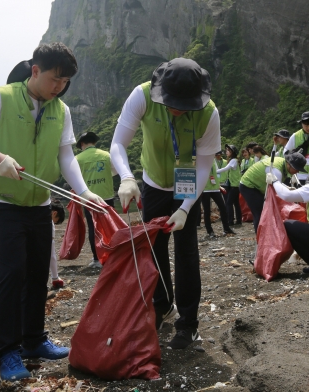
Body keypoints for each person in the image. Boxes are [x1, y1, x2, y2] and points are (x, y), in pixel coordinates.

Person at [0, 42, 105, 381]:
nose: (59, 86)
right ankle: (7, 351)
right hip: (2, 203)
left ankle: (34, 341)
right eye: (55, 78)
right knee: (11, 276)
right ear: (35, 71)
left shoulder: (60, 110)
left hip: (39, 204)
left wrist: (83, 192)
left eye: (65, 81)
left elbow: (65, 156)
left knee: (38, 274)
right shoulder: (1, 98)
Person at [110, 58, 221, 350]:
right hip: (154, 182)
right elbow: (118, 143)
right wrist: (127, 178)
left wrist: (185, 208)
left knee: (186, 252)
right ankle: (162, 305)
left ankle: (188, 325)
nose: (178, 109)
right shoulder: (142, 95)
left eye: (186, 104)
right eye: (173, 102)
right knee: (154, 248)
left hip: (187, 182)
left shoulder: (209, 114)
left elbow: (204, 167)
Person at [75, 131, 118, 268]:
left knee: (94, 228)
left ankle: (96, 259)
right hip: (107, 196)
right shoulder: (106, 155)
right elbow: (115, 171)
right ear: (94, 142)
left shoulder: (77, 159)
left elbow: (74, 178)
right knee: (110, 226)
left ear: (82, 144)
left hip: (89, 198)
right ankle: (113, 256)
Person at [239, 152, 306, 233]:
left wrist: (288, 188)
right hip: (249, 186)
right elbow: (279, 193)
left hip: (260, 186)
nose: (297, 172)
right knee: (260, 213)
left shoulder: (283, 165)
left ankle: (268, 234)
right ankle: (261, 240)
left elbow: (277, 183)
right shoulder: (276, 170)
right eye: (296, 169)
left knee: (265, 212)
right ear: (289, 164)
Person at [202, 159, 235, 238]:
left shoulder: (213, 160)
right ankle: (210, 231)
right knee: (207, 210)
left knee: (223, 208)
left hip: (215, 188)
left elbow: (216, 172)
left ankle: (226, 228)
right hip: (204, 188)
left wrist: (219, 186)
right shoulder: (201, 159)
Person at [216, 144, 242, 227]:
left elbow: (225, 169)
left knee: (229, 203)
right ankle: (238, 220)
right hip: (235, 184)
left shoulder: (233, 160)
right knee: (236, 203)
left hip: (234, 185)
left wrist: (216, 171)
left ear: (232, 152)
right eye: (226, 150)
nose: (226, 152)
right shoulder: (233, 160)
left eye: (228, 150)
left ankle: (230, 221)